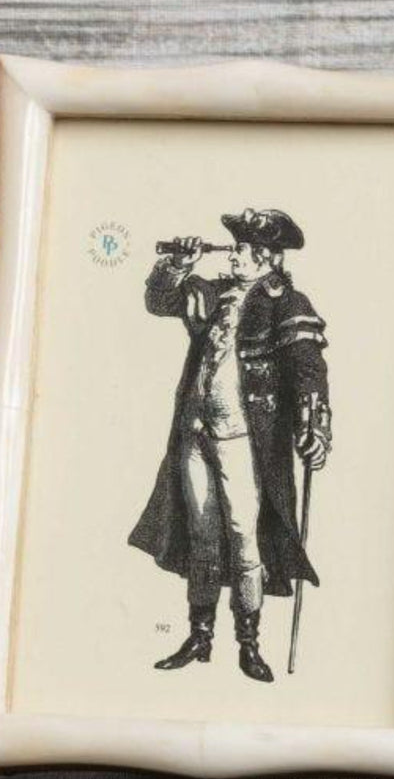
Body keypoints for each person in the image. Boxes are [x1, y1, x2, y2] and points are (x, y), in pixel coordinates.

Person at [129, 207, 331, 682]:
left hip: (245, 441)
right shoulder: (213, 293)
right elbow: (159, 301)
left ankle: (249, 644)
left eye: (241, 249)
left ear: (266, 258)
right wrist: (177, 265)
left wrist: (315, 428)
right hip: (195, 435)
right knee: (202, 534)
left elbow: (308, 371)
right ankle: (199, 638)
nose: (233, 256)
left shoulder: (287, 302)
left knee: (243, 539)